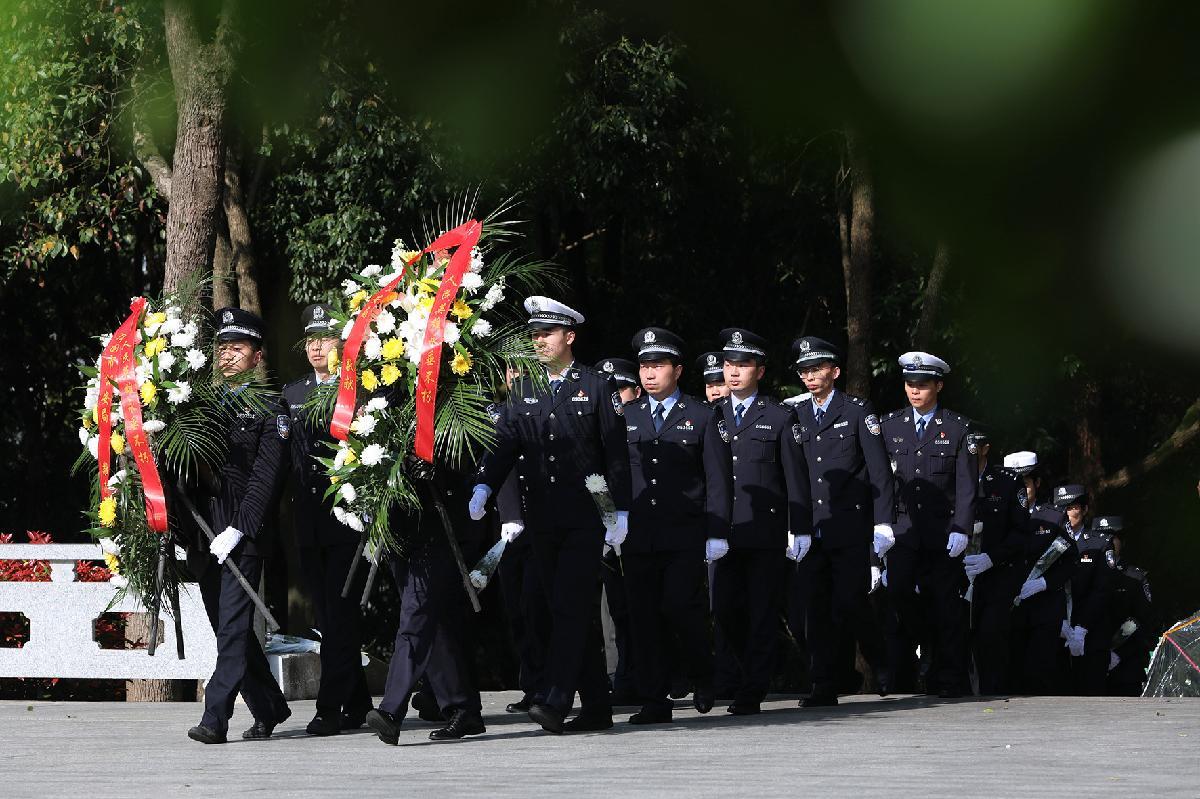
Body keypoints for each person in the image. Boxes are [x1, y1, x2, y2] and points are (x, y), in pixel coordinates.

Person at [469, 296, 632, 734]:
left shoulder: (596, 385)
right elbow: (506, 443)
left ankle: (555, 700)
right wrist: (485, 483)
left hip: (585, 516)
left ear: (569, 336)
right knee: (561, 609)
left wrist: (620, 510)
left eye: (547, 333)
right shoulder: (524, 388)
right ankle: (597, 706)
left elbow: (615, 453)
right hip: (541, 516)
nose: (539, 341)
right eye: (535, 335)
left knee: (568, 605)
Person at [186, 308, 291, 744]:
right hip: (204, 533)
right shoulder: (198, 405)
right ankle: (269, 707)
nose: (228, 355)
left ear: (257, 356)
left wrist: (239, 529)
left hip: (242, 534)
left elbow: (266, 478)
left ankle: (215, 718)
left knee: (231, 627)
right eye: (222, 348)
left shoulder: (271, 408)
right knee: (229, 629)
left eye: (238, 348)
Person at [619, 327, 731, 724]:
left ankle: (702, 672)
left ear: (678, 370)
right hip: (638, 533)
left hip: (685, 532)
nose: (649, 374)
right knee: (644, 614)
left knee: (680, 606)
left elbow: (717, 478)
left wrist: (717, 531)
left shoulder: (701, 415)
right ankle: (654, 699)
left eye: (658, 365)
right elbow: (616, 472)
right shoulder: (626, 415)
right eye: (644, 367)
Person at [706, 327, 811, 715]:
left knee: (762, 612)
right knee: (724, 609)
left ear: (760, 371)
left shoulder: (780, 416)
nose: (733, 372)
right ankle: (753, 669)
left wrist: (799, 526)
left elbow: (795, 477)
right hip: (724, 530)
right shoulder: (711, 414)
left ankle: (752, 688)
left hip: (765, 532)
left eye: (743, 364)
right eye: (728, 364)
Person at [787, 336, 894, 706]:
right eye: (804, 371)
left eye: (816, 369)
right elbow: (796, 475)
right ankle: (824, 684)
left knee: (850, 601)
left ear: (834, 371)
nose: (810, 376)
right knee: (814, 608)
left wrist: (883, 522)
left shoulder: (857, 411)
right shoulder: (797, 414)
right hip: (813, 526)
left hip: (850, 526)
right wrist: (794, 524)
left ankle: (880, 660)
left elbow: (879, 472)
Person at [282, 303, 373, 736]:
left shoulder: (359, 389)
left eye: (325, 339)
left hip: (348, 522)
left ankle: (329, 708)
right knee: (329, 615)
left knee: (339, 614)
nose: (316, 347)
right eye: (310, 340)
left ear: (342, 344)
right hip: (308, 521)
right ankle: (357, 702)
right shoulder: (292, 393)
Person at [366, 460, 488, 743]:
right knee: (433, 621)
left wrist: (441, 469)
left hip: (436, 522)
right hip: (397, 526)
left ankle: (391, 711)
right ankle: (462, 708)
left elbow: (471, 455)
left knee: (416, 617)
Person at [880, 351, 977, 697]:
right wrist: (881, 523)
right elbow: (882, 481)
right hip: (904, 530)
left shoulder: (957, 427)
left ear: (938, 385)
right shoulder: (890, 425)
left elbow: (966, 484)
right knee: (899, 592)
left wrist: (962, 527)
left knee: (946, 605)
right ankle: (922, 646)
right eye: (910, 383)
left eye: (922, 384)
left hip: (942, 530)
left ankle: (948, 678)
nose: (914, 390)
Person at [963, 429, 1030, 695]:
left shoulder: (1007, 481)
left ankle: (993, 692)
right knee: (956, 635)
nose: (969, 454)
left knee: (990, 635)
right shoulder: (949, 477)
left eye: (974, 448)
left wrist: (992, 558)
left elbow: (1020, 532)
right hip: (958, 572)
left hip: (996, 572)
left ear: (985, 449)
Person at [595, 357, 642, 705]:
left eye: (620, 389)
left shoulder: (644, 421)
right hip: (606, 526)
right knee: (613, 610)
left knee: (639, 606)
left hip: (642, 524)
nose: (614, 397)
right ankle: (620, 675)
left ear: (635, 392)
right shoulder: (594, 425)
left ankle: (645, 675)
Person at [1008, 502, 1079, 694]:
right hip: (1010, 603)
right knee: (1012, 670)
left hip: (1045, 606)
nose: (1023, 491)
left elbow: (1072, 561)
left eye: (1027, 487)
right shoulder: (1006, 509)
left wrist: (1045, 582)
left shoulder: (1054, 516)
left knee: (1039, 671)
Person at [1054, 484, 1114, 696]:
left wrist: (1082, 627)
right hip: (1056, 629)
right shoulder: (1049, 540)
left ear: (1085, 509)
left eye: (1074, 507)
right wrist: (1058, 619)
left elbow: (1102, 589)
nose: (1069, 513)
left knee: (1091, 692)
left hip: (1090, 629)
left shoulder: (1100, 543)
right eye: (1064, 508)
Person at [1103, 517, 1155, 696]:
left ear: (1122, 542)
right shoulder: (1083, 571)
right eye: (1104, 537)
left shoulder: (1135, 577)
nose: (1109, 542)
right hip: (1091, 659)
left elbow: (1143, 619)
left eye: (1114, 538)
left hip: (1125, 665)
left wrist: (1119, 653)